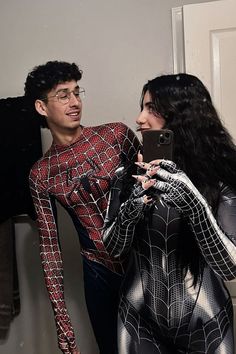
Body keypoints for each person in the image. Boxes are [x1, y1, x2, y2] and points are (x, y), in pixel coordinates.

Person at [102, 73, 236, 353]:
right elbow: (113, 249)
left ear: (181, 117)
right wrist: (131, 210)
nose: (139, 118)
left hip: (206, 320)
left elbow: (229, 267)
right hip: (138, 319)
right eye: (142, 107)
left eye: (151, 108)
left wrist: (195, 205)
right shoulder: (126, 175)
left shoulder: (220, 177)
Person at [24, 60, 141, 354]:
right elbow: (50, 247)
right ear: (41, 107)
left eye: (77, 92)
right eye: (63, 95)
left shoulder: (115, 135)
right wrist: (62, 321)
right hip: (99, 273)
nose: (75, 102)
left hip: (144, 261)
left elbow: (157, 191)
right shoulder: (42, 173)